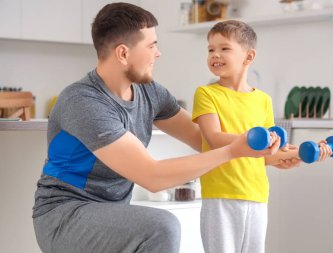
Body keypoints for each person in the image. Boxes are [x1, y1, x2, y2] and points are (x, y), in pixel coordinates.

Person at [32, 3, 300, 253]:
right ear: (123, 53)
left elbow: (204, 140)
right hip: (64, 216)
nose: (158, 53)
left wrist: (271, 154)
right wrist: (234, 151)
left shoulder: (150, 93)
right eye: (152, 46)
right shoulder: (83, 101)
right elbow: (153, 176)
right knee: (162, 226)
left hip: (113, 212)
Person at [192, 20, 332, 253]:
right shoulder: (206, 93)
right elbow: (214, 138)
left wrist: (307, 152)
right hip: (220, 195)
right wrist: (256, 140)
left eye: (224, 48)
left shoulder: (263, 100)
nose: (215, 54)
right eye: (210, 49)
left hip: (256, 194)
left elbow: (268, 154)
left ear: (248, 57)